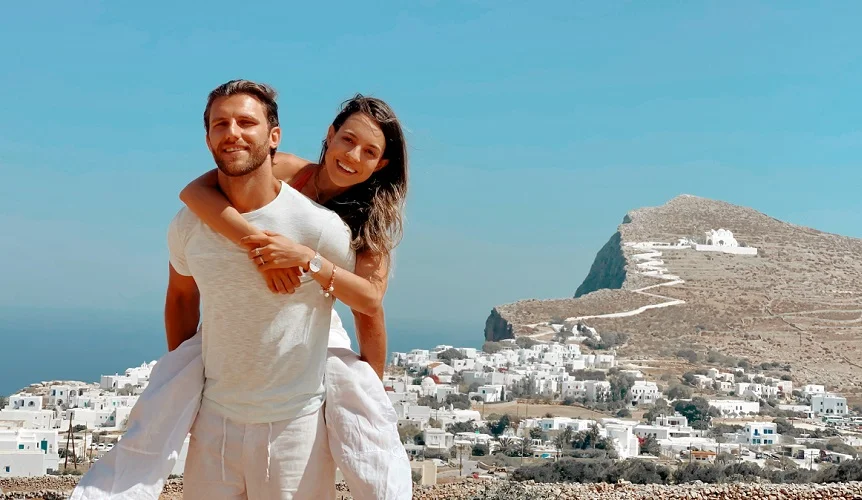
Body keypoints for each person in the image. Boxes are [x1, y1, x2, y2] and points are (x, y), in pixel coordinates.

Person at [71, 86, 411, 500]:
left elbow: (370, 304)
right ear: (330, 133)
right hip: (237, 360)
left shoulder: (367, 221)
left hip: (316, 315)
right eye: (348, 140)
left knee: (353, 394)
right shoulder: (285, 168)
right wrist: (260, 247)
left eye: (369, 152)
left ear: (382, 164)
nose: (353, 156)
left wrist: (305, 259)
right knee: (189, 368)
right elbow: (195, 194)